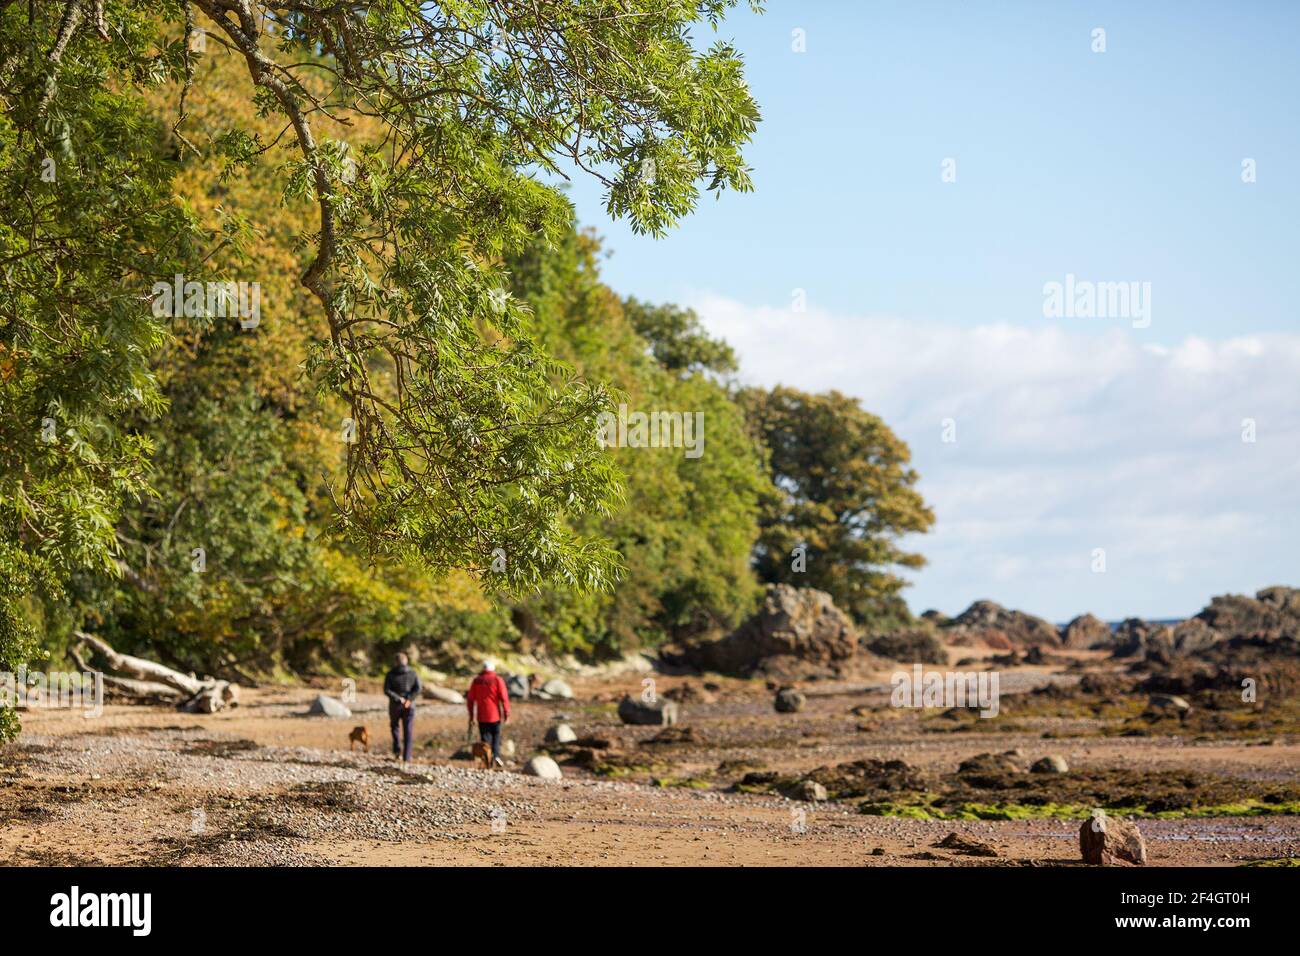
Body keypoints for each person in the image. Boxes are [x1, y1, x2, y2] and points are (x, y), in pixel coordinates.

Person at [466, 660, 510, 767]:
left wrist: (472, 716)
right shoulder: (497, 680)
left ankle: (487, 761)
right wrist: (506, 714)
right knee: (496, 737)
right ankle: (496, 756)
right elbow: (504, 698)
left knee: (485, 740)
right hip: (495, 715)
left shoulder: (476, 681)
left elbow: (470, 699)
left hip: (481, 716)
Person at [384, 652, 422, 762]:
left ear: (396, 662)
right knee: (408, 730)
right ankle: (407, 757)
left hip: (395, 705)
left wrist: (398, 699)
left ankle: (397, 750)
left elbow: (387, 690)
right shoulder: (413, 673)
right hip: (409, 705)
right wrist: (409, 699)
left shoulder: (390, 674)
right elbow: (418, 689)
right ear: (406, 661)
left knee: (395, 727)